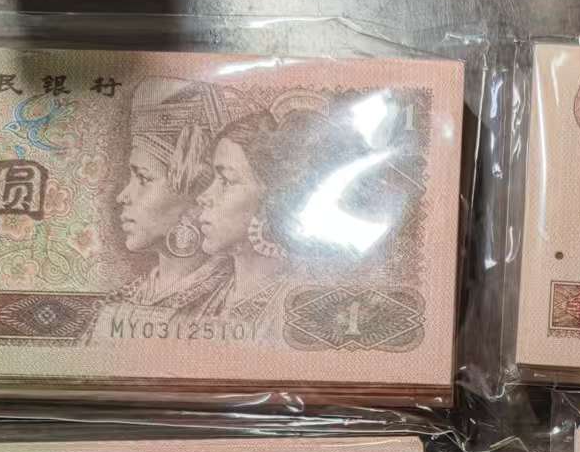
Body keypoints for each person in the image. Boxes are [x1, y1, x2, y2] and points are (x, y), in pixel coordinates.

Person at [192, 101, 403, 340]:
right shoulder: (201, 296)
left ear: (271, 197)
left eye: (226, 181)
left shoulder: (306, 305)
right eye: (213, 179)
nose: (203, 197)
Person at [104, 79, 250, 317]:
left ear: (196, 196)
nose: (122, 197)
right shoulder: (119, 303)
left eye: (144, 178)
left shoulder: (235, 301)